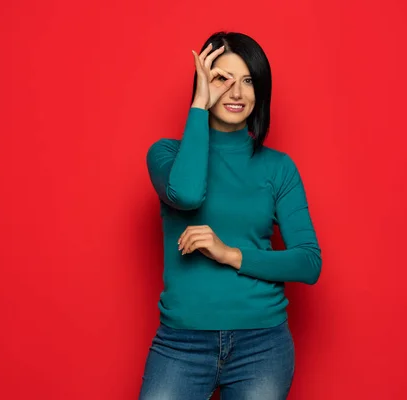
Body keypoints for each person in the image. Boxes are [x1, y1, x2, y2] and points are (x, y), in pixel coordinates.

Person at [139, 31, 322, 400]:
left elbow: (308, 262)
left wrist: (229, 254)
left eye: (248, 81)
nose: (237, 93)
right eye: (223, 78)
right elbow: (187, 194)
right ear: (203, 84)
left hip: (262, 345)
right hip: (181, 344)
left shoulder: (278, 168)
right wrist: (199, 106)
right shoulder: (166, 155)